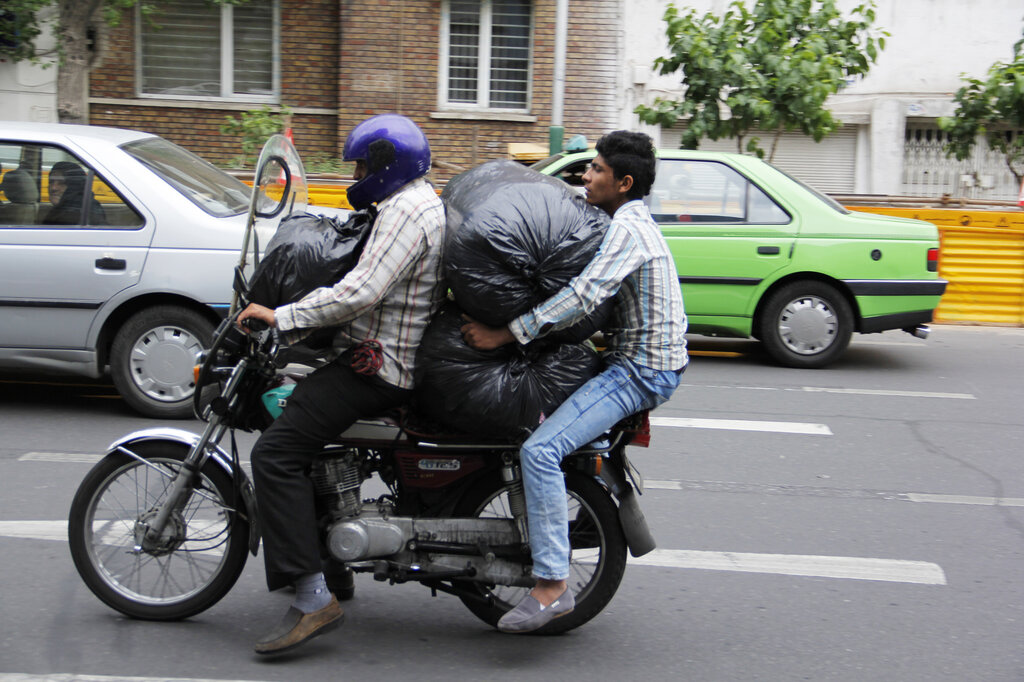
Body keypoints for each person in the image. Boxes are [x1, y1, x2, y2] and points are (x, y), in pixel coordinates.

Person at [460, 130, 687, 634]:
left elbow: (584, 296)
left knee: (540, 451)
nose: (587, 176)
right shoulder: (624, 220)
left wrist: (506, 334)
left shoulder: (629, 230)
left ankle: (552, 584)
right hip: (631, 359)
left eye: (598, 170)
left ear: (624, 183)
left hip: (640, 371)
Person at [236, 114, 446, 655]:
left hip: (379, 368)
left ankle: (312, 599)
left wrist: (282, 316)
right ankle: (335, 568)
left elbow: (361, 293)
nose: (355, 172)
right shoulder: (410, 201)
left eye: (360, 163)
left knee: (276, 454)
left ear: (384, 165)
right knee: (302, 427)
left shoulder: (405, 211)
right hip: (373, 353)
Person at [43, 161, 106, 225]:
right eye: (51, 182)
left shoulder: (80, 212)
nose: (53, 188)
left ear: (74, 186)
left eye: (62, 183)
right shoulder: (61, 209)